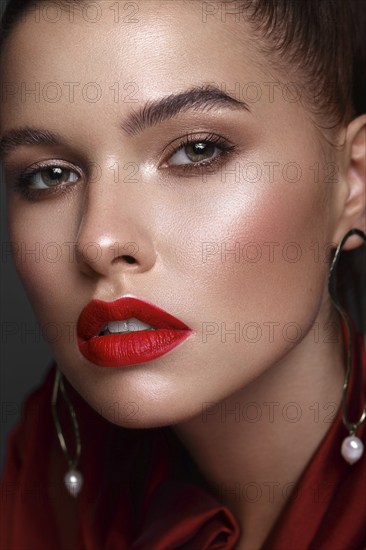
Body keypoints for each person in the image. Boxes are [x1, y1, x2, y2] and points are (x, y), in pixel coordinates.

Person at [0, 0, 365, 548]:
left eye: (196, 151)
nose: (98, 240)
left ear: (353, 181)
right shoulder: (50, 470)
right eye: (50, 175)